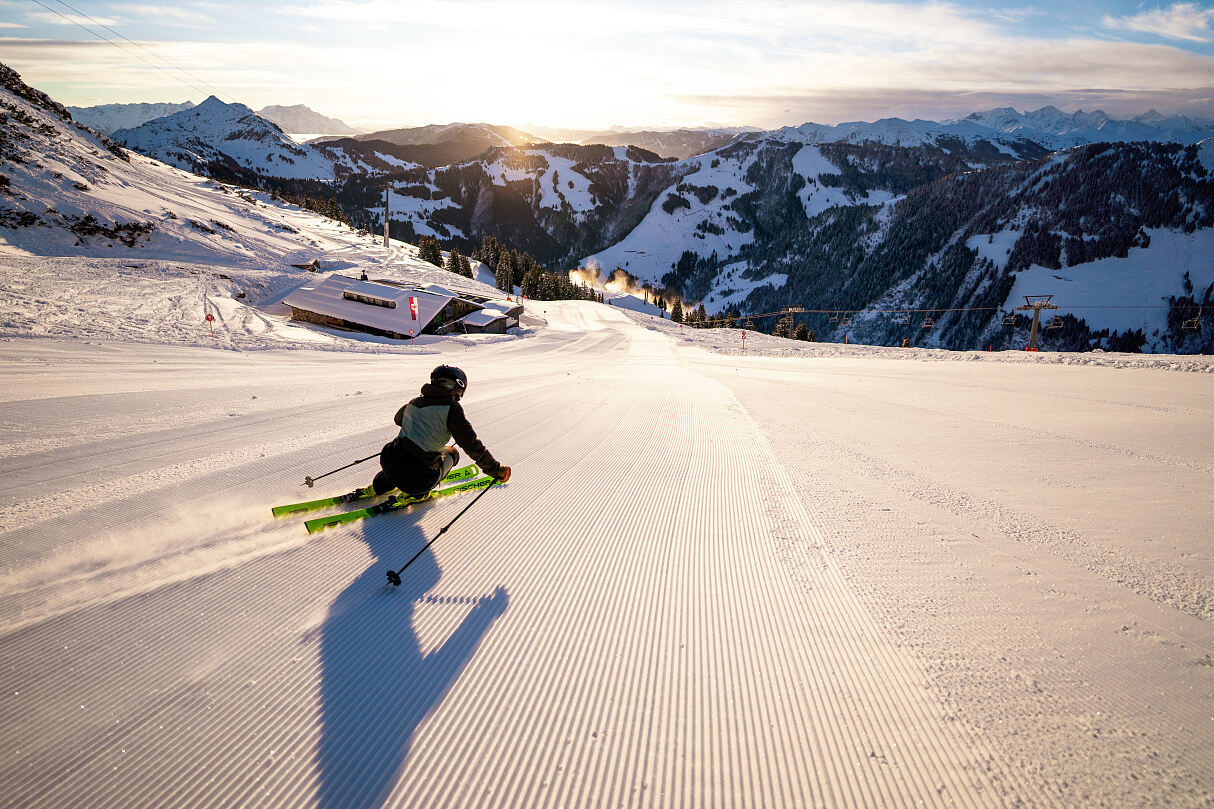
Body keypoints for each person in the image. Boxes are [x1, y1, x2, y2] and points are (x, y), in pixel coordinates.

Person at [368, 365, 510, 500]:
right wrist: (495, 470)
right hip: (417, 481)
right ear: (459, 387)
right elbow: (470, 444)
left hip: (388, 461)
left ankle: (379, 486)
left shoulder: (414, 402)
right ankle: (417, 495)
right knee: (452, 453)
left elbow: (398, 420)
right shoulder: (451, 407)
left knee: (405, 452)